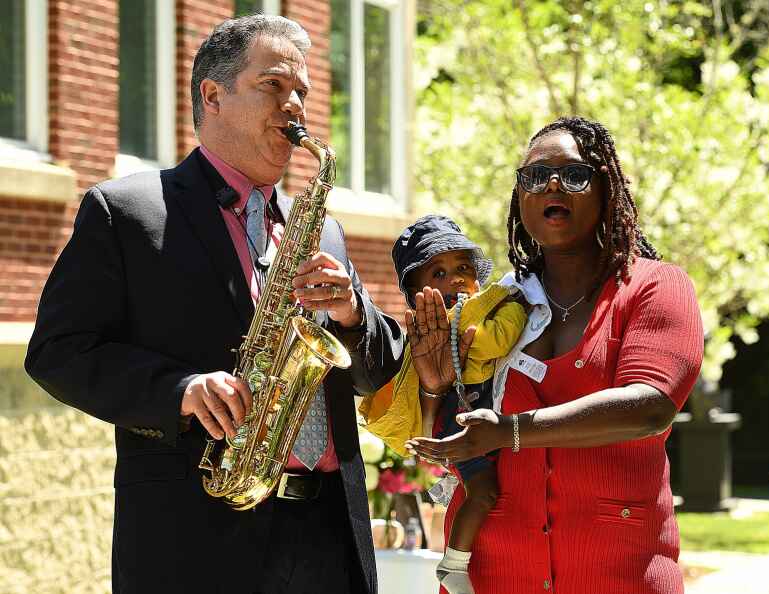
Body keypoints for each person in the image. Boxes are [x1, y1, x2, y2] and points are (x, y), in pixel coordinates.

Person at [24, 15, 404, 594]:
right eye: (273, 86)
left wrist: (354, 315)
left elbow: (378, 370)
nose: (294, 105)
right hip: (196, 541)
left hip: (328, 538)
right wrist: (180, 392)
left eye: (300, 91)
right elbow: (58, 353)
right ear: (213, 95)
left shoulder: (322, 230)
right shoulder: (127, 212)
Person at [404, 116, 704, 594]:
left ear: (606, 190)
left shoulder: (655, 287)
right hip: (494, 575)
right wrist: (435, 387)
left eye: (575, 174)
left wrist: (513, 431)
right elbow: (440, 449)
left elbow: (650, 405)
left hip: (617, 577)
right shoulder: (495, 305)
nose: (553, 185)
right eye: (535, 176)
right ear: (520, 196)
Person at [362, 215, 550, 594]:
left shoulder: (485, 310)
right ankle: (455, 563)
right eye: (438, 274)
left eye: (463, 267)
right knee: (482, 491)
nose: (455, 279)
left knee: (487, 490)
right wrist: (508, 310)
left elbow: (492, 344)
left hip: (482, 419)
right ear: (416, 293)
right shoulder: (433, 334)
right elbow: (492, 343)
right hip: (459, 420)